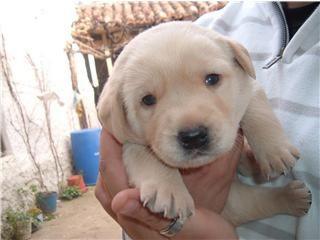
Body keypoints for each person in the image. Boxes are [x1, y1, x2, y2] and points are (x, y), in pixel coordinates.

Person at [95, 2, 319, 239]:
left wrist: (267, 136)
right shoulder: (204, 28)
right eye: (148, 100)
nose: (191, 128)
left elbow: (248, 90)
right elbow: (129, 150)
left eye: (212, 80)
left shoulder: (212, 45)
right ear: (118, 112)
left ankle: (277, 200)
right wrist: (158, 184)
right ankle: (277, 200)